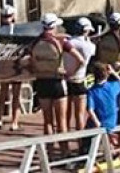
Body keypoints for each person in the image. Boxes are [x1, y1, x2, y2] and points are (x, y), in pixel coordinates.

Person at [30, 13, 85, 157]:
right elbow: (80, 60)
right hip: (57, 81)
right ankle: (64, 151)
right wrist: (69, 73)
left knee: (47, 121)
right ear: (54, 26)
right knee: (61, 121)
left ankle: (49, 152)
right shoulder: (61, 42)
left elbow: (31, 62)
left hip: (42, 82)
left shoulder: (35, 42)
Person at [65, 17, 96, 133]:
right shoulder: (88, 46)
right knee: (79, 114)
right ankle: (81, 141)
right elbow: (92, 52)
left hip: (66, 78)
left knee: (65, 114)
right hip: (79, 78)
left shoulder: (68, 42)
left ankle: (65, 139)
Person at [0, 5, 23, 131]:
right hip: (4, 64)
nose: (7, 19)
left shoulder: (18, 30)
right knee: (3, 92)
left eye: (9, 16)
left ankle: (15, 121)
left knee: (16, 94)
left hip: (16, 64)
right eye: (4, 16)